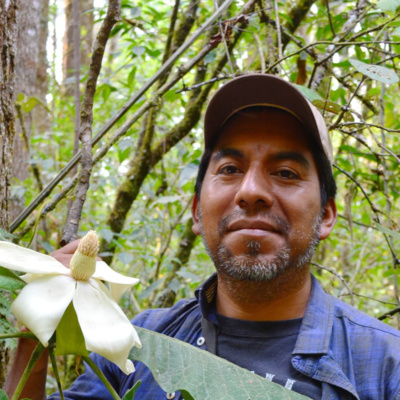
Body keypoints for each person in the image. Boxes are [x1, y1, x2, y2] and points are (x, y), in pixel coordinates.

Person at [5, 74, 400, 400]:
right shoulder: (136, 342)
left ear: (327, 215)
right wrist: (35, 333)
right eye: (229, 169)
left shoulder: (385, 364)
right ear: (196, 210)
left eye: (285, 173)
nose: (251, 191)